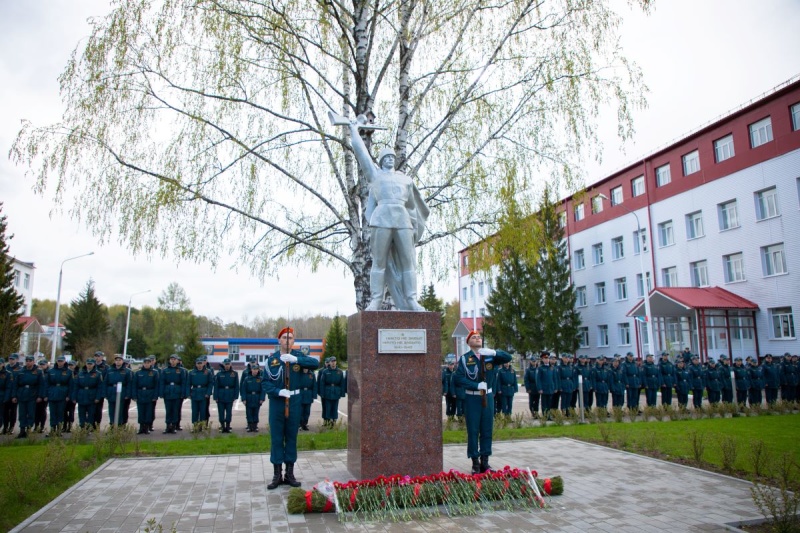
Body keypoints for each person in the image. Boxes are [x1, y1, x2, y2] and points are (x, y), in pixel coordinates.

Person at [348, 115, 429, 311]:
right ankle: (375, 300)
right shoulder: (375, 176)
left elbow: (412, 207)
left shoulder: (405, 180)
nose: (390, 159)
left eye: (392, 157)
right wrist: (353, 130)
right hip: (382, 220)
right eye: (386, 157)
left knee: (408, 263)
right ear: (382, 161)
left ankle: (411, 300)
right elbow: (362, 155)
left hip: (402, 222)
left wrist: (415, 227)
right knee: (379, 262)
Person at [263, 327, 319, 489]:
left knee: (292, 437)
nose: (288, 340)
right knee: (277, 437)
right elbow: (265, 382)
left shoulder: (298, 357)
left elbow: (315, 363)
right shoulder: (271, 360)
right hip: (277, 401)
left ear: (294, 341)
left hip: (294, 401)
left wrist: (296, 361)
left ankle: (290, 473)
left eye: (291, 338)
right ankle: (276, 474)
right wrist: (277, 391)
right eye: (284, 337)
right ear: (279, 340)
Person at [453, 330, 512, 474]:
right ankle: (475, 463)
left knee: (487, 430)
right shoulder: (465, 359)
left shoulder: (490, 356)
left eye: (479, 337)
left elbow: (508, 357)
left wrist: (494, 352)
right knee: (473, 431)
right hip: (472, 398)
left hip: (489, 398)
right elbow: (457, 378)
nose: (478, 338)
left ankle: (485, 461)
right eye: (474, 337)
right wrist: (475, 385)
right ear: (469, 342)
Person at [14, 355, 43, 438]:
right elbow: (15, 385)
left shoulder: (38, 372)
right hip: (22, 394)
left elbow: (41, 385)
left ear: (33, 362)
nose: (28, 362)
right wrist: (14, 396)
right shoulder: (20, 371)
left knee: (31, 413)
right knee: (22, 413)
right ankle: (22, 430)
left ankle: (29, 429)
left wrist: (40, 396)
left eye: (30, 361)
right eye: (27, 361)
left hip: (32, 394)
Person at [43, 355, 72, 436]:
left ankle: (59, 430)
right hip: (52, 394)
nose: (60, 362)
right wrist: (45, 395)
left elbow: (71, 385)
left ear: (64, 362)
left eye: (61, 361)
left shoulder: (68, 372)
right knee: (52, 413)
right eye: (59, 361)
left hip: (62, 394)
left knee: (60, 413)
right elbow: (46, 384)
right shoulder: (51, 371)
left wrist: (68, 396)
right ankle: (52, 429)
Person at [159, 354, 188, 434]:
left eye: (174, 359)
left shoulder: (181, 370)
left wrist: (183, 393)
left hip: (177, 392)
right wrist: (161, 393)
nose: (173, 361)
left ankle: (174, 426)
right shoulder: (165, 370)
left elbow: (183, 383)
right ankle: (168, 426)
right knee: (168, 410)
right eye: (171, 359)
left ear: (178, 361)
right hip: (168, 392)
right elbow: (162, 382)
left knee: (175, 410)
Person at [132, 357, 159, 434]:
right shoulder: (138, 373)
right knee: (141, 411)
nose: (146, 364)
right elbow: (134, 385)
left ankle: (147, 427)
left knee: (148, 411)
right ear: (143, 363)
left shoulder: (155, 372)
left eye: (148, 363)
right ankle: (141, 427)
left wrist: (155, 396)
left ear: (151, 363)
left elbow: (157, 385)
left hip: (150, 393)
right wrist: (134, 395)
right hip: (140, 393)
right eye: (145, 363)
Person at [318, 357, 346, 428]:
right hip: (328, 391)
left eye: (334, 361)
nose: (333, 363)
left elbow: (342, 383)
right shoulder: (325, 372)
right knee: (328, 407)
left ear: (336, 362)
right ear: (329, 363)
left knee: (335, 407)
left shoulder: (340, 372)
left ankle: (334, 421)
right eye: (332, 361)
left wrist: (342, 393)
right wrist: (322, 393)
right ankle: (328, 420)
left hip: (336, 391)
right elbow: (322, 383)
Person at [75, 358, 103, 429]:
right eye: (88, 363)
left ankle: (89, 427)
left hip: (92, 395)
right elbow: (76, 386)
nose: (89, 365)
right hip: (82, 395)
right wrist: (75, 397)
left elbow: (100, 387)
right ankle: (82, 427)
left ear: (94, 364)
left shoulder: (98, 374)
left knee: (91, 414)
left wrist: (97, 397)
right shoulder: (80, 373)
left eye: (91, 364)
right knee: (81, 413)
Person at [105, 354, 133, 427]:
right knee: (111, 410)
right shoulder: (109, 370)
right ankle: (112, 424)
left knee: (120, 410)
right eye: (116, 360)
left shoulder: (127, 371)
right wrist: (105, 393)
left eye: (119, 360)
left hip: (121, 392)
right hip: (111, 391)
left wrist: (127, 394)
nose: (118, 362)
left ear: (122, 361)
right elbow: (105, 382)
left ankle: (120, 425)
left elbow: (129, 383)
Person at [188, 356, 214, 431]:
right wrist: (189, 394)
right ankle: (195, 426)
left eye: (201, 363)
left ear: (203, 364)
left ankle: (202, 426)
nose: (199, 365)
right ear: (196, 364)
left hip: (203, 393)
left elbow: (210, 383)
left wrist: (208, 393)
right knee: (195, 411)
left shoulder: (207, 372)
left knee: (203, 411)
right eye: (198, 363)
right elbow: (188, 384)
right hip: (195, 392)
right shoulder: (192, 373)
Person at [214, 358, 239, 433]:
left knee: (229, 412)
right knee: (221, 412)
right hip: (221, 394)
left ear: (230, 364)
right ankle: (222, 425)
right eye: (226, 364)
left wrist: (236, 396)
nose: (227, 366)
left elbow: (236, 386)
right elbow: (216, 386)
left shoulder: (234, 373)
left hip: (230, 394)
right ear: (223, 364)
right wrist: (216, 397)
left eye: (228, 364)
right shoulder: (219, 374)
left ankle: (228, 426)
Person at [241, 364, 266, 432]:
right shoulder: (247, 379)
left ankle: (255, 426)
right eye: (254, 369)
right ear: (251, 370)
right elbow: (243, 390)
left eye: (256, 369)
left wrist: (262, 398)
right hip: (249, 397)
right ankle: (250, 426)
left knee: (256, 412)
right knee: (249, 412)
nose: (255, 371)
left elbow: (263, 390)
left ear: (258, 370)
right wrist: (244, 399)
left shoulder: (260, 379)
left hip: (257, 397)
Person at [2, 353, 20, 434]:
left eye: (13, 359)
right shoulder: (6, 368)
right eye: (10, 359)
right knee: (5, 412)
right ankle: (5, 427)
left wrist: (15, 395)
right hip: (6, 393)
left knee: (13, 411)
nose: (11, 360)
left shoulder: (20, 369)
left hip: (14, 393)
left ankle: (12, 427)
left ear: (17, 360)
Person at [536, 353, 557, 419]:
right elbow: (538, 379)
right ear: (542, 359)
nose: (547, 360)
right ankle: (545, 415)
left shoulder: (551, 367)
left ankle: (549, 415)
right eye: (545, 358)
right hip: (544, 388)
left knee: (550, 403)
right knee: (544, 403)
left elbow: (554, 378)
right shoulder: (540, 368)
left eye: (547, 358)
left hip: (550, 388)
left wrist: (555, 387)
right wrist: (539, 388)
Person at [298, 359, 317, 431]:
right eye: (304, 368)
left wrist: (314, 395)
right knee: (300, 411)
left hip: (308, 394)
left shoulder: (311, 374)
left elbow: (314, 385)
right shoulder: (299, 374)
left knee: (307, 411)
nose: (305, 369)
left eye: (307, 368)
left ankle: (305, 424)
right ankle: (300, 424)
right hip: (301, 393)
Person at [93, 351, 109, 427]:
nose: (97, 357)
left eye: (99, 356)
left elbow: (106, 380)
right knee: (91, 408)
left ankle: (97, 424)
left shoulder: (106, 367)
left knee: (98, 409)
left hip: (100, 390)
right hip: (92, 389)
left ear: (102, 357)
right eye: (96, 356)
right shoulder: (92, 365)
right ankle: (91, 424)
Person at [33, 359, 50, 432]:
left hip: (45, 395)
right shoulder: (36, 372)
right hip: (37, 395)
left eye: (43, 364)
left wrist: (46, 395)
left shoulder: (48, 373)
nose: (42, 366)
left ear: (46, 365)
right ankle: (36, 426)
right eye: (40, 364)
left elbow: (48, 385)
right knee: (36, 411)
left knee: (43, 411)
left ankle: (42, 426)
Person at [64, 360, 78, 433]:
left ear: (75, 366)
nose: (70, 366)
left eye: (72, 365)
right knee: (64, 411)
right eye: (69, 365)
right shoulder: (65, 373)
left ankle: (70, 426)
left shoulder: (77, 374)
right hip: (66, 395)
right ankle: (64, 426)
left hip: (73, 396)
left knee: (71, 411)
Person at [0, 358, 10, 434]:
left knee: (1, 414)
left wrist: (6, 397)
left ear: (3, 364)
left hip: (2, 395)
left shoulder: (7, 373)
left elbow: (8, 387)